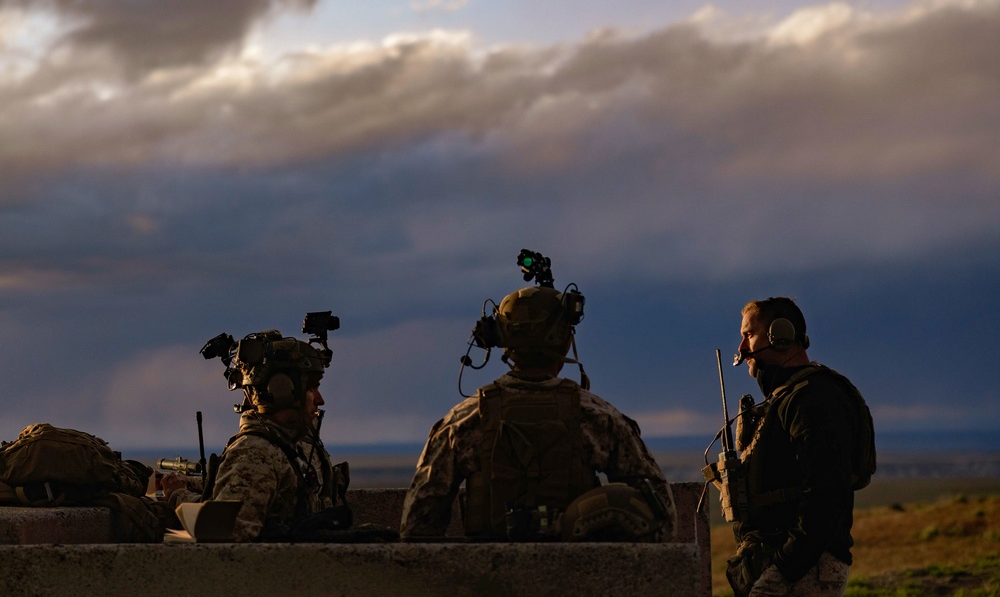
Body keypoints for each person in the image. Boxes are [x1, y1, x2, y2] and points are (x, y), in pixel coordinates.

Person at [400, 251, 676, 542]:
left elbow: (417, 525)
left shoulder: (462, 421)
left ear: (501, 340)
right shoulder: (597, 417)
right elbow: (662, 516)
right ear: (565, 341)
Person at [725, 296, 875, 597]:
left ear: (780, 336)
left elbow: (826, 494)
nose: (742, 349)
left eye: (749, 335)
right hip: (786, 564)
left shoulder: (815, 399)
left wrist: (783, 570)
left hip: (805, 570)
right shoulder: (786, 398)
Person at [163, 315, 351, 542]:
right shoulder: (260, 451)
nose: (320, 400)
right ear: (283, 390)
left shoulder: (277, 447)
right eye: (312, 388)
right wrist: (182, 492)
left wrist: (177, 496)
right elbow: (229, 530)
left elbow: (230, 518)